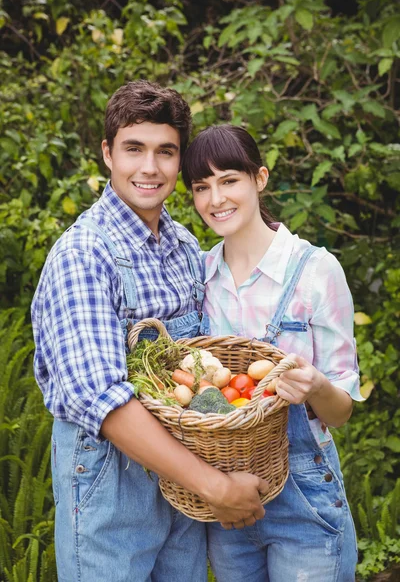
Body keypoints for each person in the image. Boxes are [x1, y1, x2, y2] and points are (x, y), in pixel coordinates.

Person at [31, 84, 269, 582]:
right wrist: (216, 487)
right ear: (107, 153)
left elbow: (206, 373)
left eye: (166, 151)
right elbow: (103, 401)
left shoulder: (183, 245)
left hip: (182, 495)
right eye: (133, 148)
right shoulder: (84, 255)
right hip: (111, 493)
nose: (150, 168)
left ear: (180, 161)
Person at [182, 124, 364, 582]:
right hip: (229, 502)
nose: (215, 199)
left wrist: (317, 386)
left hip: (305, 495)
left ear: (259, 179)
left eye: (228, 180)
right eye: (201, 187)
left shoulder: (316, 271)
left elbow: (340, 412)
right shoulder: (200, 276)